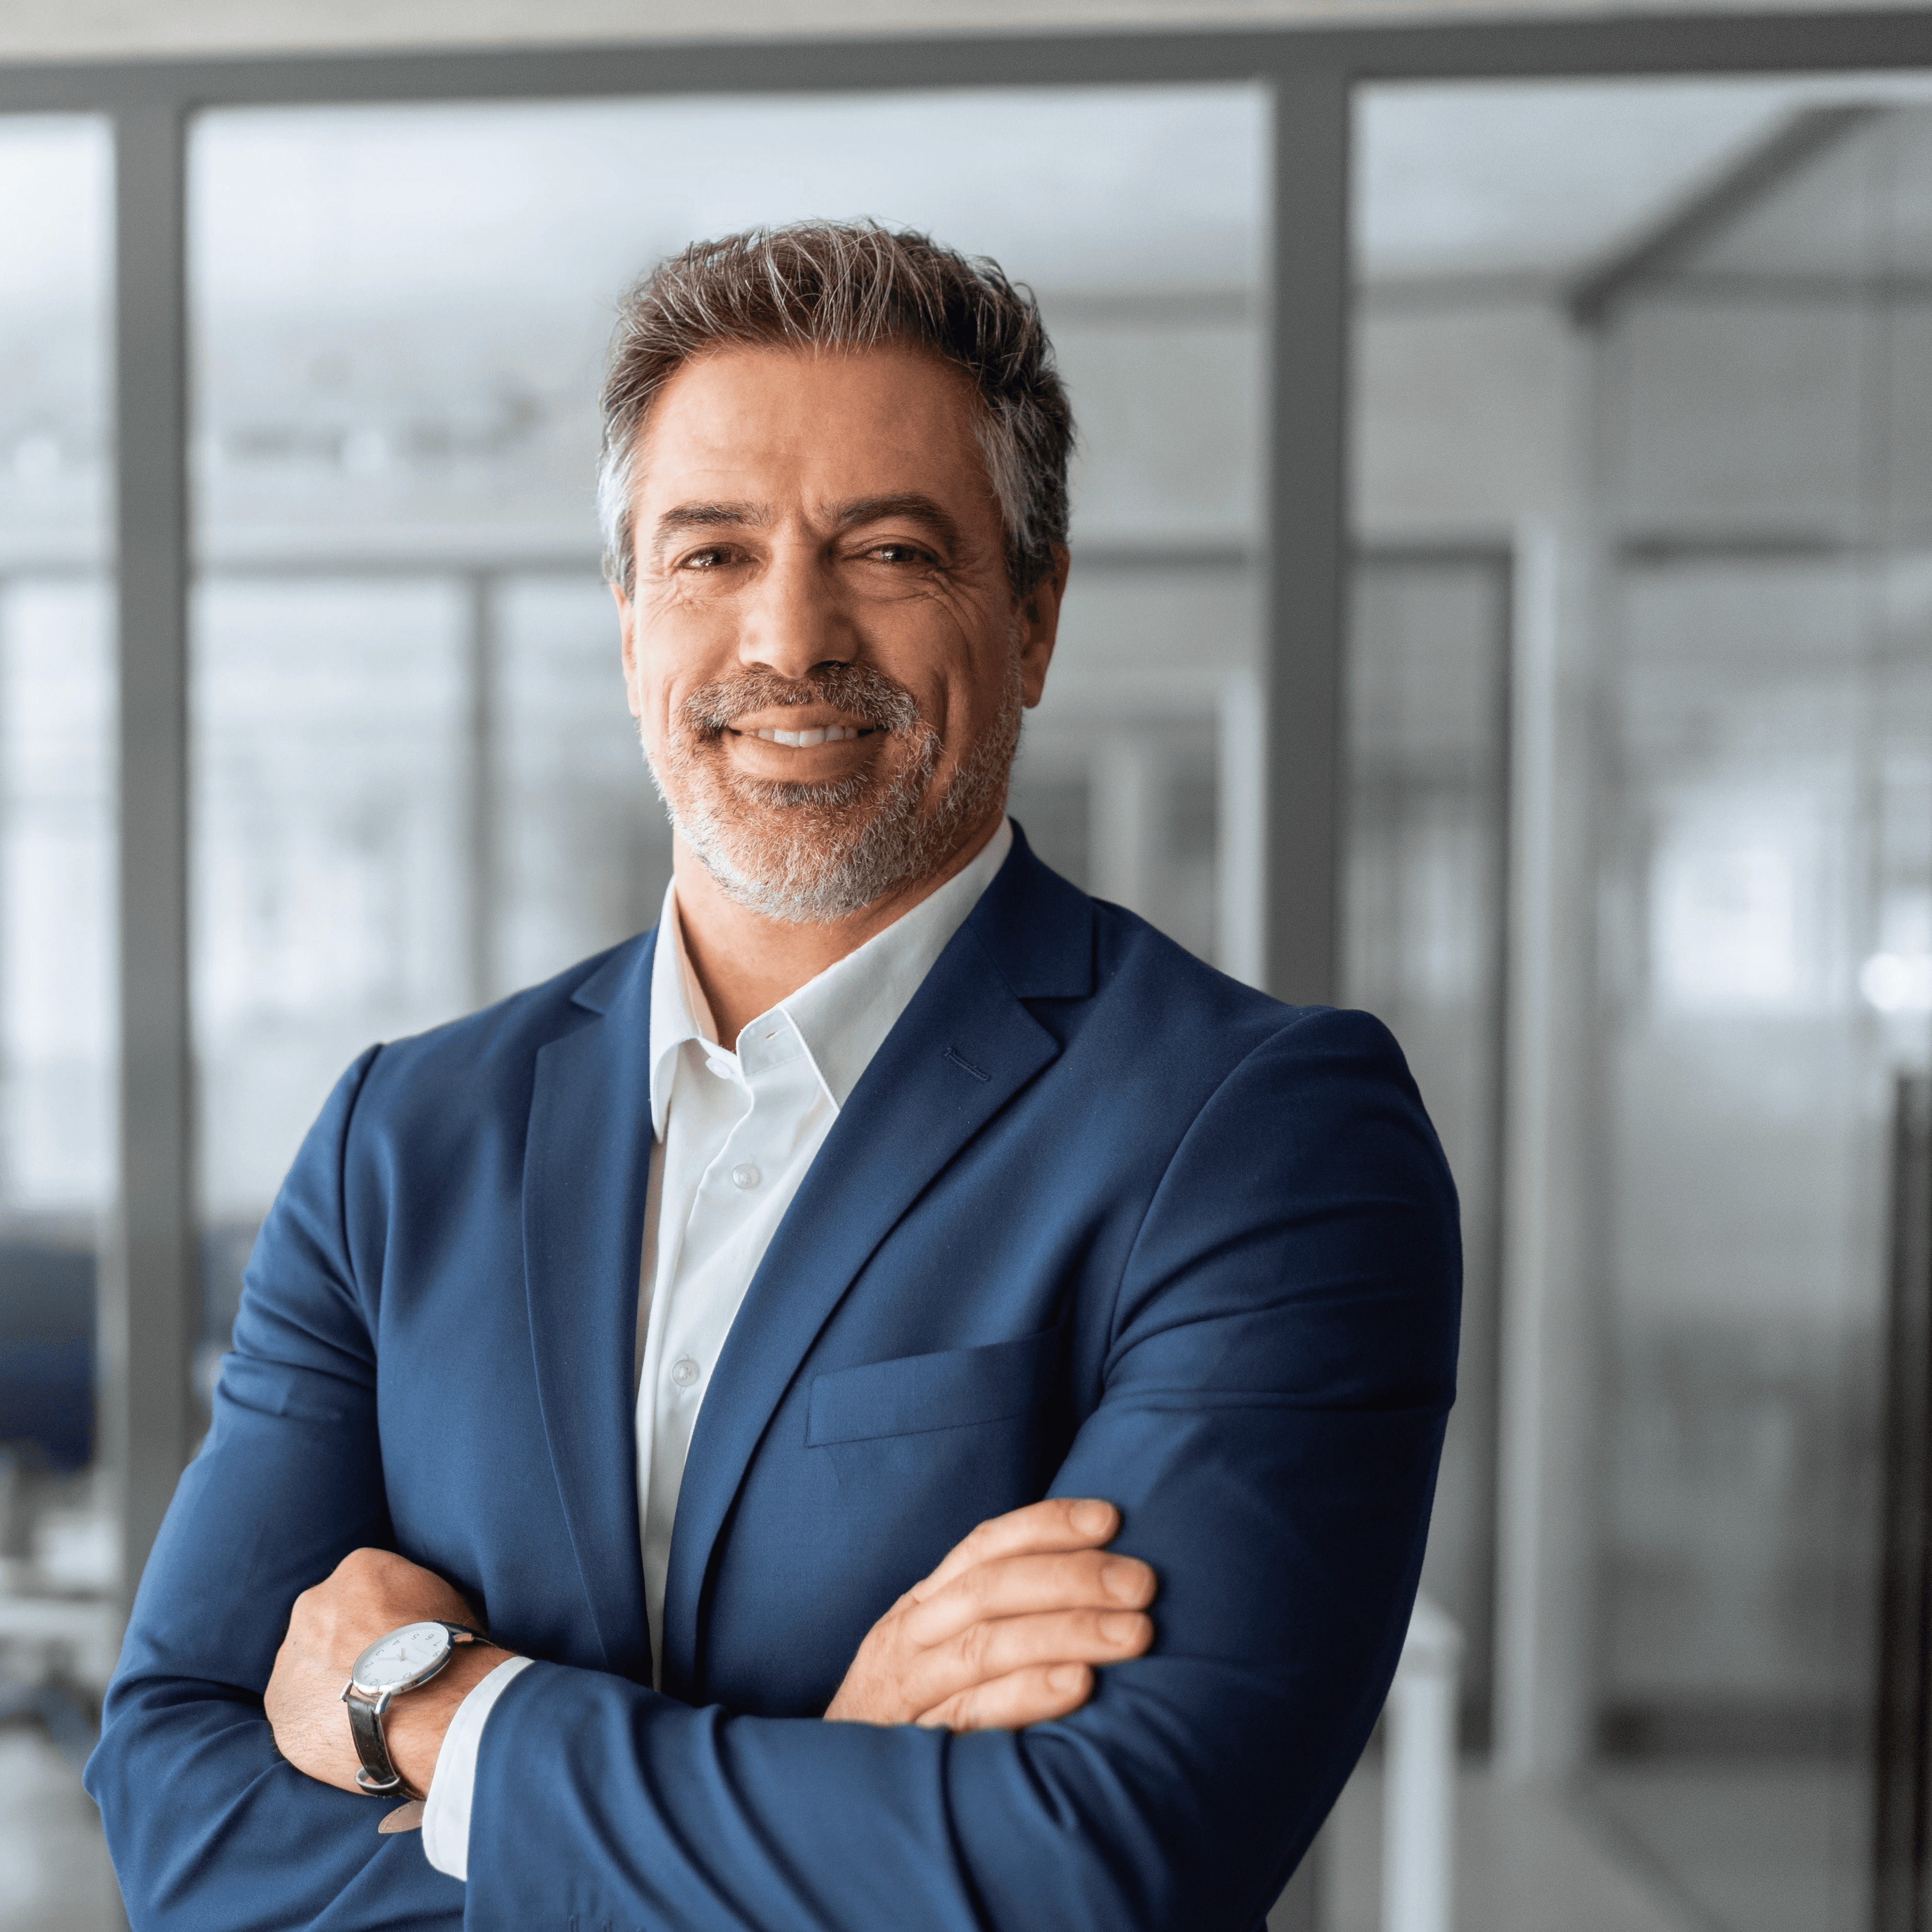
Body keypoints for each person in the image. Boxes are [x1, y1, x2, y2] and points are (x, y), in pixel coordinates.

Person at [87, 220, 1459, 1930]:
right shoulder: (403, 1135)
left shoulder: (1258, 1135)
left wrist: (439, 1714)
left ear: (1031, 617)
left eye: (886, 551)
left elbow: (1094, 1864)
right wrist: (842, 1764)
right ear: (628, 620)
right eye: (711, 553)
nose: (790, 635)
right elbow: (179, 1816)